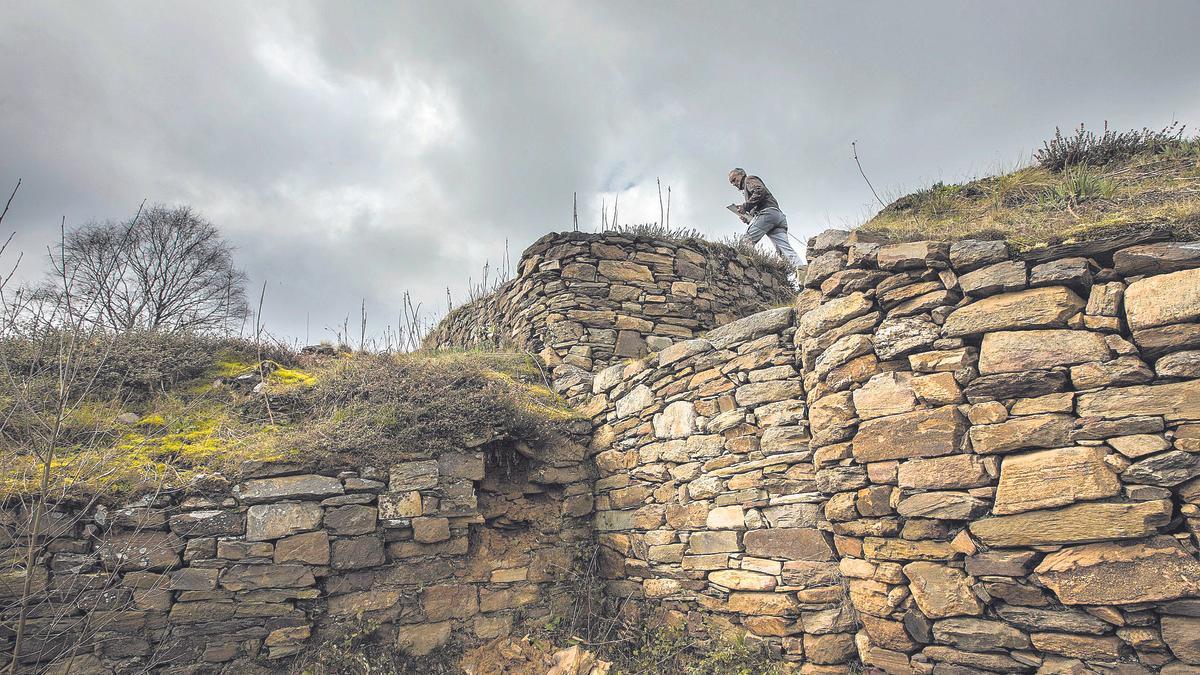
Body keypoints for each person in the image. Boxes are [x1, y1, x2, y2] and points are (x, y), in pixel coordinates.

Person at [728, 168, 802, 267]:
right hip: (777, 217)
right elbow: (758, 202)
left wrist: (745, 206)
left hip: (767, 215)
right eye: (731, 182)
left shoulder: (748, 179)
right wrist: (747, 218)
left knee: (746, 241)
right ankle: (802, 270)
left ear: (741, 174)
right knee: (784, 250)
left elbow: (759, 190)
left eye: (734, 179)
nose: (733, 183)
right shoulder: (747, 186)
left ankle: (750, 268)